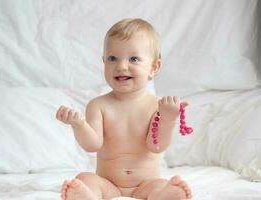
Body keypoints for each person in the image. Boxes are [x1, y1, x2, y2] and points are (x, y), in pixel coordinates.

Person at [56, 18, 192, 200]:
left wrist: (168, 118)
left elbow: (156, 146)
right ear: (104, 62)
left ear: (154, 67)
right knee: (85, 179)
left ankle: (165, 195)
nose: (121, 66)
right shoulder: (98, 105)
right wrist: (78, 124)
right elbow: (92, 145)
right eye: (113, 58)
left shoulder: (157, 106)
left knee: (160, 185)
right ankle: (87, 195)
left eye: (134, 59)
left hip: (146, 184)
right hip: (108, 184)